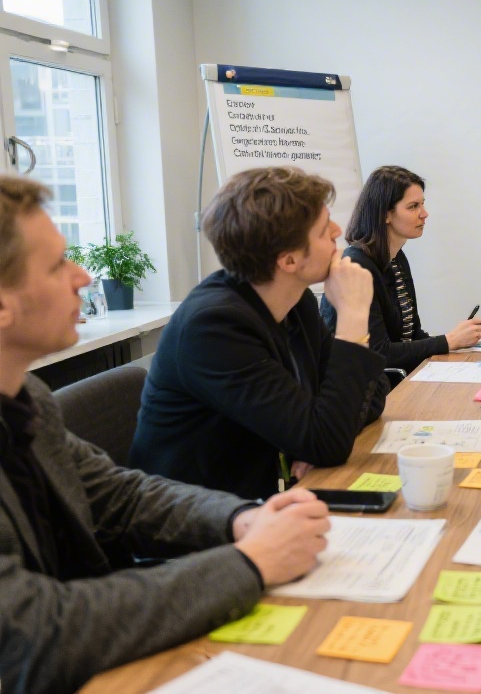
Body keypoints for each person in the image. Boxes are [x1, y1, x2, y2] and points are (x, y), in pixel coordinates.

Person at [0, 175, 331, 693]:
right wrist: (248, 563)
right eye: (56, 265)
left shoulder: (25, 397)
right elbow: (35, 631)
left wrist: (241, 520)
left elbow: (119, 495)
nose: (83, 276)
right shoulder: (217, 318)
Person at [130, 167, 388, 501]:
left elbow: (373, 396)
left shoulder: (297, 302)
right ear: (289, 260)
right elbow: (329, 439)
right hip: (198, 528)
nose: (340, 231)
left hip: (266, 503)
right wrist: (353, 315)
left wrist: (316, 437)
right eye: (325, 230)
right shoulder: (214, 328)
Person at [321, 165, 481, 372]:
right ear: (385, 215)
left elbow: (412, 335)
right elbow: (379, 353)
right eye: (413, 206)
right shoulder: (357, 267)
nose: (424, 214)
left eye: (422, 204)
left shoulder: (397, 258)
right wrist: (448, 341)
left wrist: (457, 342)